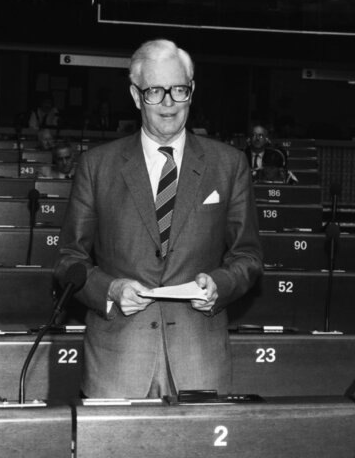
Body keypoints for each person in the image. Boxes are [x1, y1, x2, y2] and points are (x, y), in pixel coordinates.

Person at [55, 39, 263, 398]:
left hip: (200, 356)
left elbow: (248, 257)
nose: (168, 103)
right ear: (136, 96)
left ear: (191, 92)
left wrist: (219, 285)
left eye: (178, 89)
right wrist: (111, 289)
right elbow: (68, 259)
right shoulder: (97, 166)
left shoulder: (229, 164)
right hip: (117, 358)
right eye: (155, 91)